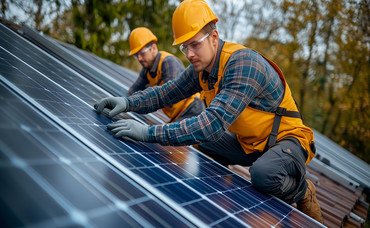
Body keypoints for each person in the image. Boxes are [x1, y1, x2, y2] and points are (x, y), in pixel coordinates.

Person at [95, 0, 323, 223]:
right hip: (251, 145)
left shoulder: (243, 64)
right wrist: (127, 102)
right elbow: (166, 93)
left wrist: (148, 133)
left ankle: (303, 190)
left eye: (195, 44)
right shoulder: (202, 68)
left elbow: (211, 123)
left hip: (287, 141)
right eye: (185, 47)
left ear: (214, 37)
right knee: (204, 143)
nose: (190, 54)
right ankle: (219, 196)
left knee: (263, 174)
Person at [126, 27, 204, 122]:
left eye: (142, 53)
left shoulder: (168, 62)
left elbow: (169, 95)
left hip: (192, 108)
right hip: (177, 115)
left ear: (153, 48)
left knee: (165, 134)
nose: (139, 58)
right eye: (136, 55)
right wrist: (125, 103)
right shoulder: (147, 70)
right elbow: (133, 91)